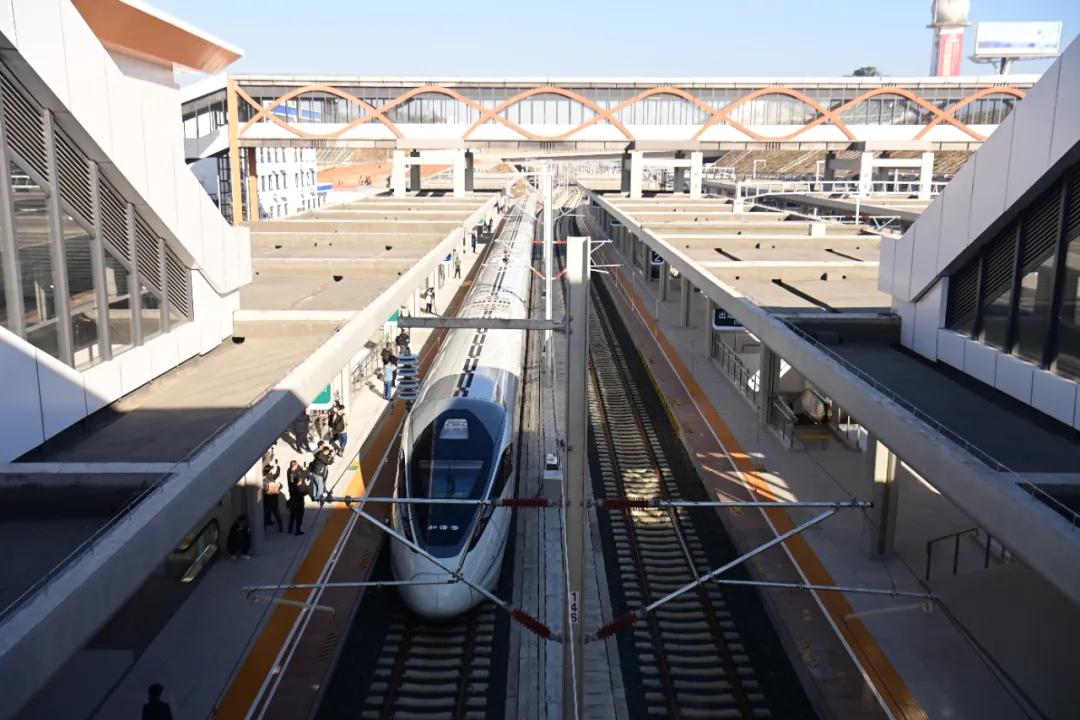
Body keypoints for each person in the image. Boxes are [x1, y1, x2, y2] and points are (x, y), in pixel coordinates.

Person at [262, 461, 283, 532]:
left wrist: (277, 466)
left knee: (266, 514)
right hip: (272, 500)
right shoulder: (268, 478)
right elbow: (277, 474)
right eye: (271, 469)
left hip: (268, 500)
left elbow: (277, 474)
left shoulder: (267, 477)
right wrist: (278, 487)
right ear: (269, 471)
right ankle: (280, 528)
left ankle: (266, 526)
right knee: (276, 515)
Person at [286, 461, 306, 535]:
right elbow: (292, 484)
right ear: (294, 466)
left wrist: (302, 469)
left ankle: (290, 528)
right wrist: (298, 483)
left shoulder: (292, 470)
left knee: (293, 514)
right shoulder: (291, 474)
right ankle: (297, 530)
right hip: (296, 495)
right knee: (299, 513)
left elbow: (299, 470)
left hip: (296, 495)